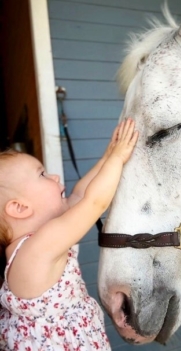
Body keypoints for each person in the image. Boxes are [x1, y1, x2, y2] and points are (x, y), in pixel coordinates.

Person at [0, 119, 138, 350]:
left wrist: (107, 156)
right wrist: (118, 158)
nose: (54, 176)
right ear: (20, 208)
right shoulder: (36, 250)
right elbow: (93, 202)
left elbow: (81, 196)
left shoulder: (41, 240)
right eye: (42, 174)